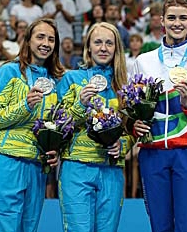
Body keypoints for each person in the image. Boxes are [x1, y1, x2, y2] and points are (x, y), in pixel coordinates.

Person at [132, 0, 187, 232]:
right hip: (152, 151)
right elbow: (133, 107)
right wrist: (134, 124)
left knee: (186, 224)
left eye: (183, 18)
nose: (177, 23)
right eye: (172, 17)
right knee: (159, 224)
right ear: (161, 21)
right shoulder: (143, 61)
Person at [0, 18, 64, 232]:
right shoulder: (9, 71)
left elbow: (55, 124)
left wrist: (55, 148)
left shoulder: (55, 81)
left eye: (51, 39)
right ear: (27, 40)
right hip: (7, 158)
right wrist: (25, 105)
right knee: (6, 227)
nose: (46, 43)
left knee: (29, 227)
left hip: (37, 164)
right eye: (40, 37)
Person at [57, 21, 133, 232]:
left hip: (112, 170)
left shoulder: (124, 85)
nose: (103, 48)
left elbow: (132, 129)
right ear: (88, 47)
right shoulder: (71, 79)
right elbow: (56, 126)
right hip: (76, 167)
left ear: (117, 48)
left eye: (109, 43)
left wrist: (123, 145)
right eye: (97, 42)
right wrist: (80, 104)